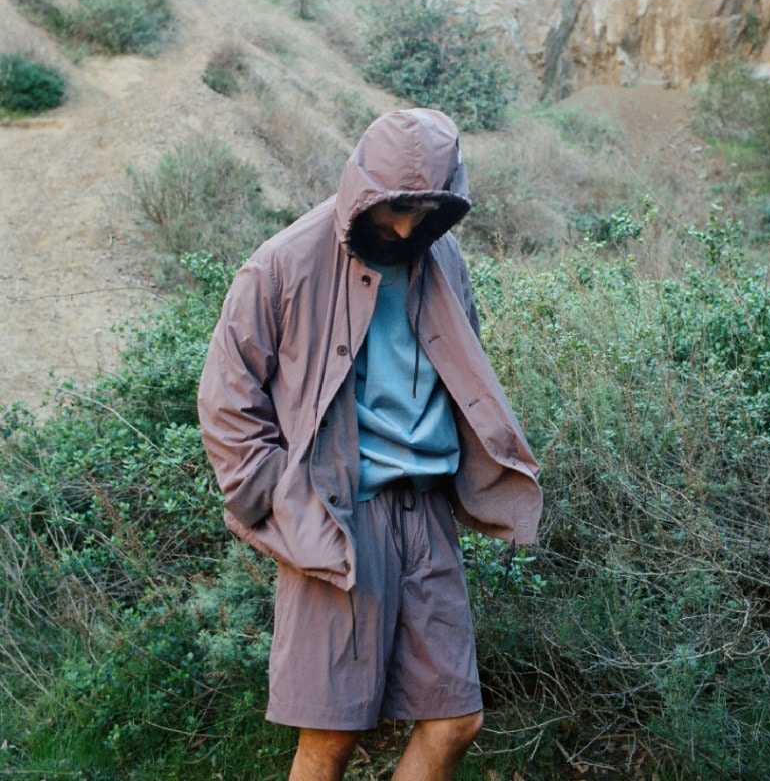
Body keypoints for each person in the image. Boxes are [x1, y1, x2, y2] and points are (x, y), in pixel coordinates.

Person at [198, 107, 543, 780]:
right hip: (337, 515)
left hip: (428, 512)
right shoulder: (283, 262)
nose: (409, 225)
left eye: (427, 207)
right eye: (397, 207)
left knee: (455, 720)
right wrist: (280, 502)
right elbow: (226, 401)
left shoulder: (442, 256)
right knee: (330, 738)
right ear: (364, 187)